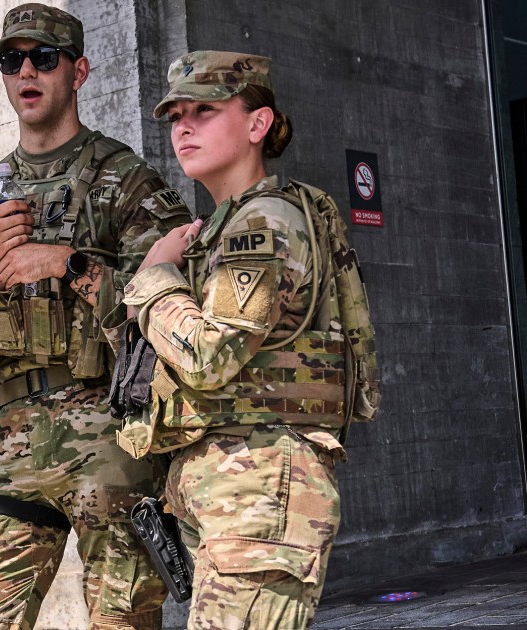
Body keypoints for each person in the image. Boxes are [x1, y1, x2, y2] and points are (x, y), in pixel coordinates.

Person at [0, 4, 193, 628]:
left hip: (113, 438)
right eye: (11, 60)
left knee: (123, 619)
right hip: (8, 443)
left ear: (79, 71)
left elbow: (177, 312)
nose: (26, 71)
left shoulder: (126, 183)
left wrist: (68, 263)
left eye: (44, 58)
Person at [110, 51, 380, 629]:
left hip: (259, 487)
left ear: (257, 124)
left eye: (205, 109)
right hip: (233, 485)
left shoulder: (264, 224)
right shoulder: (223, 228)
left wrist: (155, 278)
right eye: (176, 114)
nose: (184, 125)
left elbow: (208, 356)